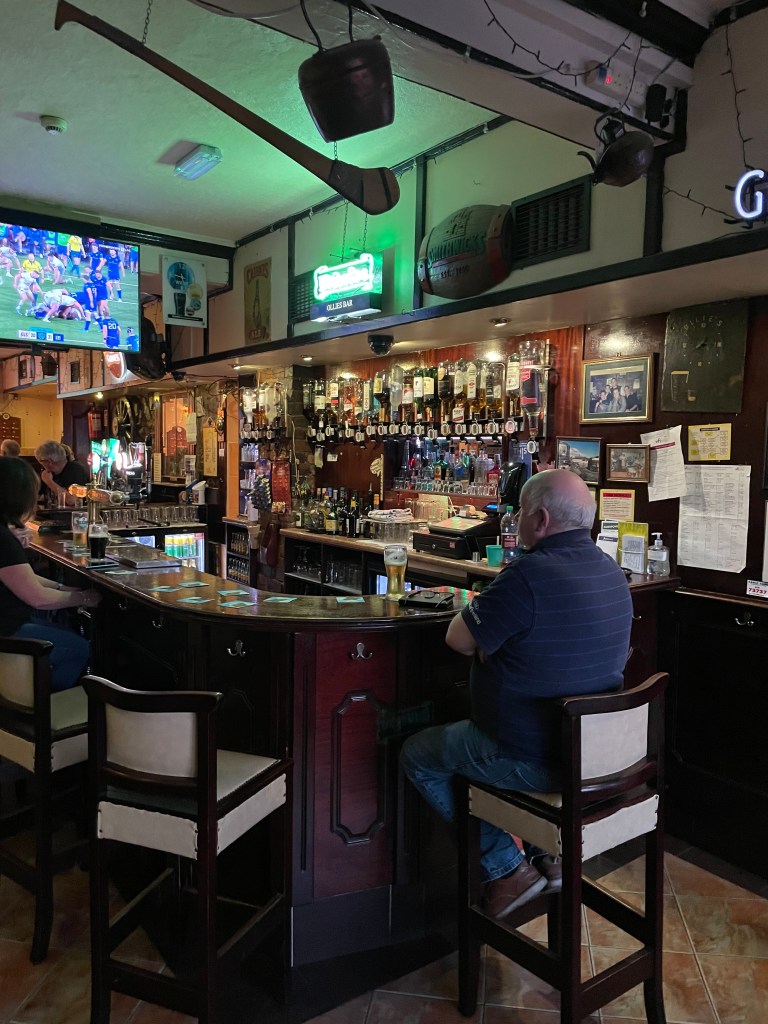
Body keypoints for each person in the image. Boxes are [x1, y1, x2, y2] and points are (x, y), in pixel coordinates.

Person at [400, 469, 633, 919]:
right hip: (593, 758)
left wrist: (495, 647)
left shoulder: (528, 575)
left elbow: (458, 639)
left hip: (529, 757)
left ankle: (506, 870)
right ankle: (549, 853)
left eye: (521, 512)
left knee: (419, 755)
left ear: (541, 518)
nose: (516, 521)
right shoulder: (612, 572)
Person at [0, 457, 100, 690]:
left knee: (65, 629)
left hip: (8, 621)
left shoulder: (5, 534)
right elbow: (36, 597)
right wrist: (84, 598)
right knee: (82, 648)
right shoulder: (4, 539)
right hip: (6, 629)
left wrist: (62, 588)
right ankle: (41, 704)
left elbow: (22, 578)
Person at [35, 440, 89, 507]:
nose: (41, 465)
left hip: (71, 515)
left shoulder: (76, 470)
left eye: (41, 461)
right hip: (50, 514)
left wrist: (49, 482)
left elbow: (72, 500)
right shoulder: (48, 473)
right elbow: (38, 496)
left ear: (49, 461)